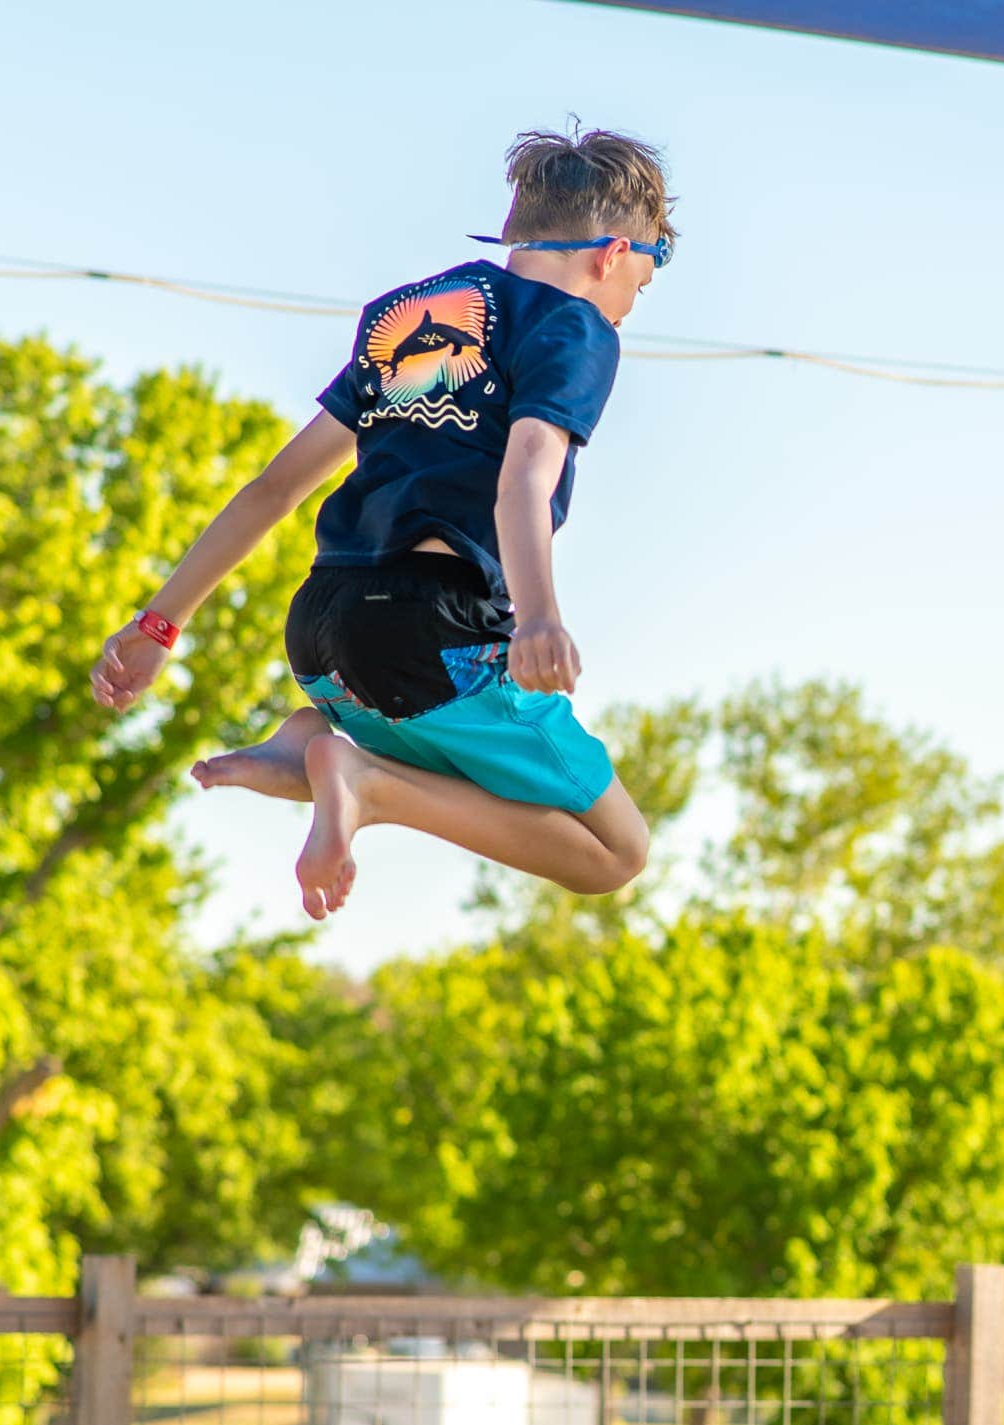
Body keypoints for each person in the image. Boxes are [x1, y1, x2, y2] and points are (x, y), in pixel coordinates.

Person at [89, 126, 670, 920]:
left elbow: (275, 487)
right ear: (613, 254)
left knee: (460, 761)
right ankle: (364, 783)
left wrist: (157, 625)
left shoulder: (415, 314)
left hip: (324, 627)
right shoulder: (575, 326)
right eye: (650, 270)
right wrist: (537, 619)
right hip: (435, 631)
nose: (637, 298)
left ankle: (312, 746)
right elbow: (525, 474)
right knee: (614, 853)